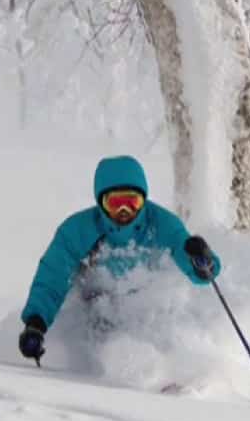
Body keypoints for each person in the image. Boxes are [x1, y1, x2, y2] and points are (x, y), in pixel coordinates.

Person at [17, 155, 221, 362]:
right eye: (115, 203)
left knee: (165, 330)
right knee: (104, 337)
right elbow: (53, 277)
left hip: (149, 313)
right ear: (101, 202)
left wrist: (202, 261)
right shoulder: (77, 231)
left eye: (132, 202)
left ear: (144, 200)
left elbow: (190, 258)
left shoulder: (161, 224)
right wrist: (36, 323)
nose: (124, 212)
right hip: (97, 313)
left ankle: (171, 372)